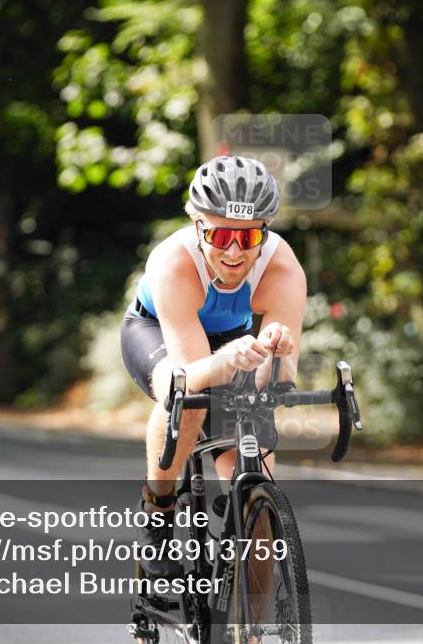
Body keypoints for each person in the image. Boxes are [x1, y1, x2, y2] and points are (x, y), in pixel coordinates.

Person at [120, 155, 306, 577]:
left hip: (233, 342)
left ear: (266, 231)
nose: (235, 251)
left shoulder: (282, 268)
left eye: (249, 235)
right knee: (185, 398)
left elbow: (279, 380)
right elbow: (191, 373)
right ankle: (158, 508)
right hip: (158, 333)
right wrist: (225, 362)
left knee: (259, 512)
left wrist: (276, 356)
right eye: (221, 235)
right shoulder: (174, 264)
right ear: (197, 224)